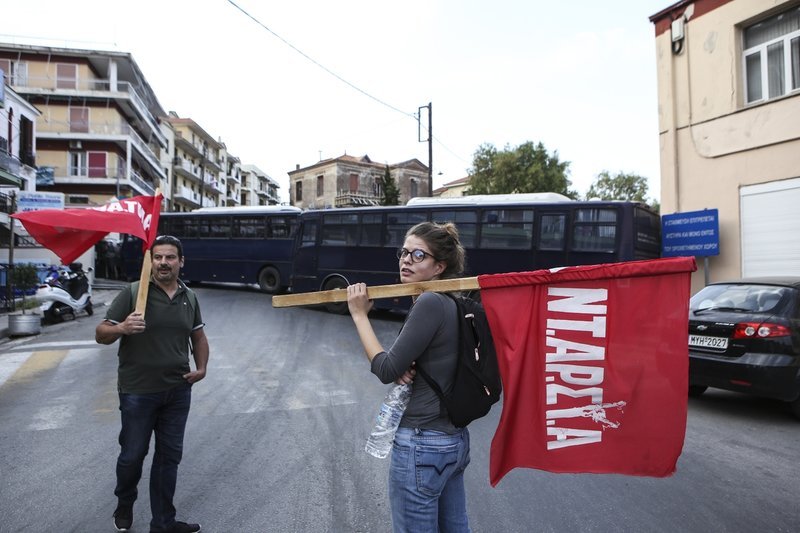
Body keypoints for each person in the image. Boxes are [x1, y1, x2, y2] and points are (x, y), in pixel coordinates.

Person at [347, 221, 471, 532]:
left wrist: (359, 314)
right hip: (452, 443)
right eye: (403, 253)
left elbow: (386, 369)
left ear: (439, 266)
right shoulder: (453, 301)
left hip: (423, 445)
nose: (405, 260)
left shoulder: (430, 302)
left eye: (418, 255)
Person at [96, 235, 209, 533]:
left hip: (177, 390)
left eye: (170, 257)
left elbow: (197, 336)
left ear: (181, 262)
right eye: (157, 257)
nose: (163, 263)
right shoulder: (134, 292)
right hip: (138, 392)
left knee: (169, 458)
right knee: (132, 455)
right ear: (150, 261)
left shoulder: (189, 296)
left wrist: (202, 368)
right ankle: (125, 501)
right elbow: (101, 332)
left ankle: (163, 522)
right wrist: (122, 327)